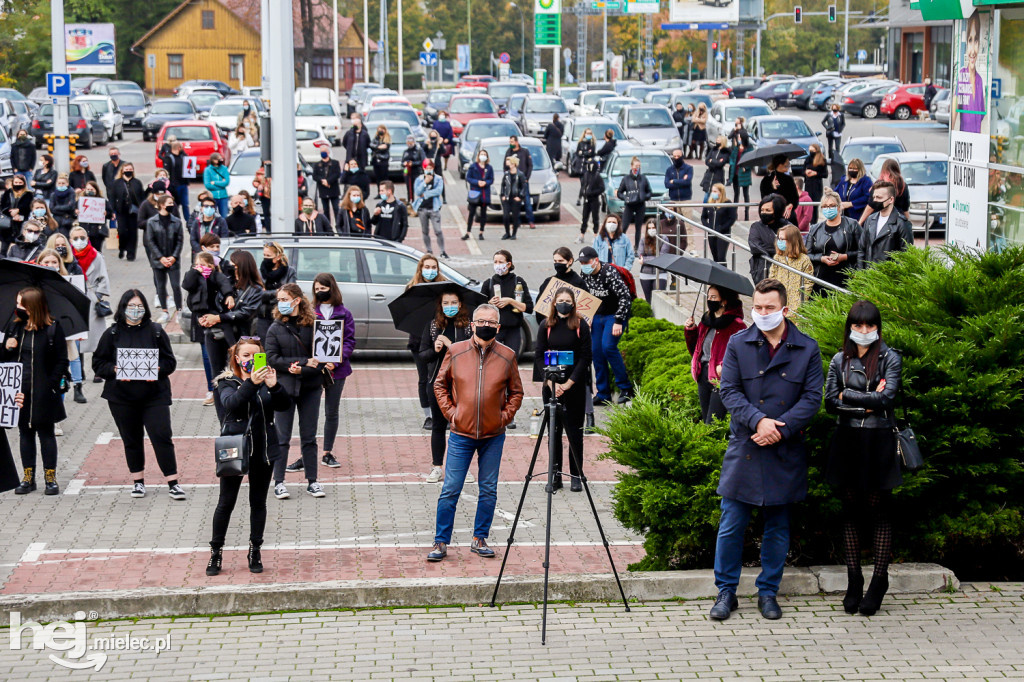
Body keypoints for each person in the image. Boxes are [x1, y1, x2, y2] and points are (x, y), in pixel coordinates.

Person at [710, 278, 824, 622]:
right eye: (757, 308)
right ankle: (725, 592)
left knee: (777, 525)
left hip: (783, 447)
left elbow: (812, 398)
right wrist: (759, 422)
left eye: (769, 308)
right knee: (731, 523)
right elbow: (728, 390)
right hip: (746, 443)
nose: (761, 314)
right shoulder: (738, 343)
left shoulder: (807, 348)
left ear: (785, 310)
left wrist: (779, 428)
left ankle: (768, 592)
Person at [428, 303, 524, 562]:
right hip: (461, 433)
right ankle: (440, 541)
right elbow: (440, 384)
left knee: (489, 489)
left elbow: (516, 392)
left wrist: (504, 417)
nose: (485, 326)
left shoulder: (507, 355)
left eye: (491, 323)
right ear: (472, 324)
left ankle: (479, 538)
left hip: (493, 435)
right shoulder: (456, 352)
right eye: (481, 321)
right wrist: (452, 414)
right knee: (450, 489)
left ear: (498, 327)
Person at [824, 300, 903, 616]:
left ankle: (879, 580)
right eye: (858, 325)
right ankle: (854, 579)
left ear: (878, 328)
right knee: (850, 509)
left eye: (870, 326)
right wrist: (863, 402)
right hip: (847, 439)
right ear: (850, 327)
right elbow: (830, 402)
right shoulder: (838, 360)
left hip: (879, 438)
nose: (864, 331)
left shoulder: (889, 358)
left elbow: (887, 399)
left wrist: (849, 395)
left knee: (879, 508)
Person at [207, 337, 291, 576]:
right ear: (236, 358)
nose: (251, 360)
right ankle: (216, 552)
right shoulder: (226, 382)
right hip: (234, 448)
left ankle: (255, 549)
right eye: (246, 356)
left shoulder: (266, 380)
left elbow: (284, 406)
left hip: (264, 450)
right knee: (226, 502)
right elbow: (232, 404)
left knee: (258, 503)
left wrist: (274, 385)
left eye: (256, 355)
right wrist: (252, 383)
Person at [92, 289, 184, 501]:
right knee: (131, 439)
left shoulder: (156, 331)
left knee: (161, 436)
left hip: (154, 395)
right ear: (122, 308)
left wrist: (156, 370)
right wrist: (115, 370)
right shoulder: (112, 333)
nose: (135, 310)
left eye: (139, 306)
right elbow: (98, 363)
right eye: (131, 306)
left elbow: (170, 362)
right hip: (122, 397)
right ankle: (138, 482)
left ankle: (173, 482)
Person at [4, 288, 69, 495]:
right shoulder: (15, 328)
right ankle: (28, 478)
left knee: (46, 435)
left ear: (32, 307)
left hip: (44, 392)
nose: (17, 308)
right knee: (25, 433)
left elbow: (62, 360)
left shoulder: (53, 328)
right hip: (21, 392)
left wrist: (50, 385)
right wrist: (7, 347)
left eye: (21, 304)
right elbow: (5, 361)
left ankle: (50, 478)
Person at [267, 283, 326, 500]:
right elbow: (272, 359)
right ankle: (279, 482)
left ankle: (313, 481)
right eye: (279, 300)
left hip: (310, 387)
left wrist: (307, 367)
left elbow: (323, 357)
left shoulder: (314, 326)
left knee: (309, 437)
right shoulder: (275, 328)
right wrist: (301, 362)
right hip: (284, 388)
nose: (281, 304)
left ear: (297, 300)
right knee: (282, 437)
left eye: (284, 299)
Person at [534, 287, 592, 492]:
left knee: (575, 432)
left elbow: (586, 357)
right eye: (560, 300)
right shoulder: (545, 325)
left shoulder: (580, 325)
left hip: (573, 387)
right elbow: (539, 355)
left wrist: (568, 383)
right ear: (554, 302)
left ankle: (576, 474)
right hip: (551, 387)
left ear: (573, 303)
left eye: (568, 300)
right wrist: (551, 382)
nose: (564, 303)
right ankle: (555, 475)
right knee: (554, 433)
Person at [418, 288, 474, 483]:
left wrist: (451, 345)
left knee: (461, 426)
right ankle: (436, 467)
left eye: (453, 303)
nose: (450, 307)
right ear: (440, 306)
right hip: (438, 382)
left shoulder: (468, 327)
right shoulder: (433, 326)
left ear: (460, 304)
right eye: (446, 303)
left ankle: (462, 468)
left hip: (462, 383)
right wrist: (435, 349)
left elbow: (472, 356)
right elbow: (422, 355)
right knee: (439, 426)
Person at [310, 273, 356, 471]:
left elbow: (349, 341)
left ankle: (326, 452)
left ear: (332, 288)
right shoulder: (311, 312)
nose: (320, 292)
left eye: (323, 288)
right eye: (317, 289)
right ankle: (308, 451)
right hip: (313, 370)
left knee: (332, 411)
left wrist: (336, 361)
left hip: (337, 371)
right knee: (309, 412)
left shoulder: (344, 313)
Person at [578, 246, 633, 405]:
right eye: (581, 262)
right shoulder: (585, 273)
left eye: (586, 262)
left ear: (595, 261)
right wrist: (586, 316)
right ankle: (603, 393)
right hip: (597, 316)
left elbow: (625, 297)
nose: (583, 265)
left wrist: (618, 320)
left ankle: (625, 387)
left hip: (613, 315)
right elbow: (587, 295)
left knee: (608, 347)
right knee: (596, 352)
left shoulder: (609, 273)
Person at [684, 286, 746, 424]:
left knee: (713, 422)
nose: (709, 300)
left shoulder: (737, 325)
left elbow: (743, 354)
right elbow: (695, 349)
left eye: (713, 297)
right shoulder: (706, 321)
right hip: (703, 374)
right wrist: (690, 330)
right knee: (706, 418)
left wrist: (724, 366)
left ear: (724, 301)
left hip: (721, 378)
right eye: (708, 297)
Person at [407, 254, 447, 430]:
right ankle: (428, 416)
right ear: (420, 269)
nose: (430, 271)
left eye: (433, 267)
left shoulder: (443, 288)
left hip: (441, 339)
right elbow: (410, 316)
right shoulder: (412, 289)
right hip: (419, 341)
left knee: (443, 377)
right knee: (424, 378)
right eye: (427, 267)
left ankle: (445, 412)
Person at [69, 224, 111, 374]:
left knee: (96, 338)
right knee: (77, 336)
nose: (79, 241)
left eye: (82, 237)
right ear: (70, 240)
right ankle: (79, 370)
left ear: (87, 238)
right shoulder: (68, 257)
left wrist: (98, 295)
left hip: (92, 299)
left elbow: (104, 277)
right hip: (74, 299)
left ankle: (97, 370)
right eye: (76, 238)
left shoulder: (96, 255)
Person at [805, 188, 860, 293]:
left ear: (839, 207)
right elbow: (807, 254)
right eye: (825, 206)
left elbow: (863, 250)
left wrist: (844, 257)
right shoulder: (815, 228)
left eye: (831, 206)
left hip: (847, 277)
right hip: (821, 277)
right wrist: (821, 258)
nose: (828, 209)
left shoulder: (852, 225)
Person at [481, 250, 533, 356]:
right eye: (495, 262)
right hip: (494, 330)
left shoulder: (518, 282)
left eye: (501, 262)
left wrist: (510, 301)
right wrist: (490, 303)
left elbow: (529, 307)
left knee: (511, 360)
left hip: (513, 329)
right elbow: (479, 309)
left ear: (509, 264)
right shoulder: (489, 283)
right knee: (493, 362)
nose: (497, 265)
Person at [144, 194, 184, 324]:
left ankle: (179, 311)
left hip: (174, 260)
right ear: (161, 205)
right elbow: (150, 241)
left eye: (172, 202)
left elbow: (180, 241)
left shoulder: (177, 222)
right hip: (158, 260)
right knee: (161, 287)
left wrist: (173, 257)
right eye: (169, 203)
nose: (172, 205)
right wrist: (160, 257)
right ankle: (165, 311)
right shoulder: (152, 222)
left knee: (175, 286)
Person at [858, 181, 914, 267]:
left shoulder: (902, 223)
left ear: (891, 199)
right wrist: (860, 274)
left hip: (888, 277)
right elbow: (862, 249)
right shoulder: (870, 220)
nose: (875, 200)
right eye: (874, 197)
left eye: (879, 197)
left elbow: (906, 256)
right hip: (868, 275)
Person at [769, 224, 814, 313]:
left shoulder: (804, 259)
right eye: (779, 239)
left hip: (795, 303)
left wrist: (801, 301)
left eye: (782, 239)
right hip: (779, 300)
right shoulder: (778, 257)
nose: (779, 241)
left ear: (792, 241)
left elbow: (808, 282)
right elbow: (772, 276)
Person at [748, 194, 791, 284]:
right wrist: (779, 251)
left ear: (777, 211)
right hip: (762, 271)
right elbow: (755, 247)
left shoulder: (788, 227)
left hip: (786, 272)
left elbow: (795, 246)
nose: (763, 213)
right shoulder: (756, 227)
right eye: (762, 210)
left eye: (768, 210)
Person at [257, 242, 296, 340]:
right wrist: (277, 292)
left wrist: (267, 293)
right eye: (264, 255)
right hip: (264, 315)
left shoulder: (289, 271)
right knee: (264, 347)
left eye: (268, 255)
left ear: (278, 257)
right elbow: (258, 294)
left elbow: (290, 293)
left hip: (282, 314)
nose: (265, 258)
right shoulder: (260, 272)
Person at [953, 12, 984, 134]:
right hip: (964, 140)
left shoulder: (980, 80)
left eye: (976, 41)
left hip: (977, 141)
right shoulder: (961, 74)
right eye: (970, 40)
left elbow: (981, 114)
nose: (972, 50)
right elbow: (955, 107)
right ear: (966, 44)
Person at [110, 162, 144, 261]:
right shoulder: (117, 183)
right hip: (121, 211)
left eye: (130, 169)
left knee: (133, 233)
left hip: (134, 212)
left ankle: (131, 253)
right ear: (122, 171)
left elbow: (141, 197)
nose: (128, 171)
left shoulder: (137, 182)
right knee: (122, 231)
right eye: (126, 169)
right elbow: (112, 197)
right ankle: (122, 248)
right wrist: (112, 211)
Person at [616, 156, 652, 248]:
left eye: (639, 166)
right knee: (624, 226)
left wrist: (644, 197)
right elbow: (619, 192)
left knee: (638, 227)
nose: (637, 168)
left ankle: (637, 246)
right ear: (631, 166)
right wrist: (625, 198)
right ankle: (621, 244)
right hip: (629, 205)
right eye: (636, 166)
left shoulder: (643, 178)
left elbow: (649, 192)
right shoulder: (626, 179)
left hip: (640, 205)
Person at [860, 158, 910, 224]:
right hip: (898, 220)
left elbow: (871, 206)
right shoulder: (903, 185)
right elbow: (905, 208)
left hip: (881, 218)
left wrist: (860, 222)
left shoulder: (880, 185)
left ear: (883, 170)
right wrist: (908, 223)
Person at [702, 183, 737, 265]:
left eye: (715, 191)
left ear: (721, 192)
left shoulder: (727, 203)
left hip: (723, 234)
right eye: (712, 191)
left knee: (721, 257)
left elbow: (732, 218)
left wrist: (722, 228)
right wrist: (708, 227)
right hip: (711, 233)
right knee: (715, 257)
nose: (712, 193)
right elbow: (703, 217)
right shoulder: (709, 203)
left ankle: (724, 275)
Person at [504, 136, 535, 229]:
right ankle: (516, 222)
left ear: (517, 142)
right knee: (514, 203)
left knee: (527, 202)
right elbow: (505, 166)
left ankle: (531, 221)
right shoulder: (509, 152)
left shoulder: (524, 152)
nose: (511, 143)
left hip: (523, 181)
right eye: (510, 142)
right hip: (513, 181)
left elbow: (530, 165)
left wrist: (527, 178)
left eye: (512, 142)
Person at [410, 168, 443, 255]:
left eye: (430, 168)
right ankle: (429, 250)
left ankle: (442, 251)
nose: (428, 170)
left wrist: (426, 194)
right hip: (422, 208)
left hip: (434, 208)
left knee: (438, 230)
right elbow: (417, 192)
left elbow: (439, 191)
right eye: (426, 168)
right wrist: (425, 182)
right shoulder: (419, 179)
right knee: (425, 231)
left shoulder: (438, 179)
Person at [637, 218, 669, 303]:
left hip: (660, 273)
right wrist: (654, 259)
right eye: (649, 228)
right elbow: (640, 255)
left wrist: (645, 261)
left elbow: (661, 258)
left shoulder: (664, 239)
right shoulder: (643, 240)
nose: (651, 230)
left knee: (659, 300)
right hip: (645, 274)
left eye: (653, 228)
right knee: (648, 300)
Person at [465, 150, 493, 240]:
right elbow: (468, 178)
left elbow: (491, 179)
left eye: (485, 154)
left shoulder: (489, 168)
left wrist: (486, 182)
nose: (483, 156)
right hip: (475, 193)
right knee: (471, 213)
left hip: (484, 194)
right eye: (482, 154)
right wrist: (477, 182)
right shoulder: (473, 167)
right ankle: (468, 232)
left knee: (483, 214)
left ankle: (481, 232)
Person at [158, 140, 190, 220]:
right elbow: (167, 173)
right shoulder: (169, 158)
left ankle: (188, 221)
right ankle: (175, 219)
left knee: (185, 204)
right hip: (174, 186)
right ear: (179, 148)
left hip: (183, 184)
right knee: (175, 204)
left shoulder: (183, 156)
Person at [1, 174, 34, 251]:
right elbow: (3, 206)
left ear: (24, 183)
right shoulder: (8, 193)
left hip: (22, 222)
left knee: (20, 248)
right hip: (8, 224)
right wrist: (12, 214)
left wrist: (18, 210)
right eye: (16, 182)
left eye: (20, 183)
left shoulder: (29, 194)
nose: (18, 184)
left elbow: (28, 206)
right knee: (4, 248)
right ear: (13, 183)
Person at [760, 155, 799, 219]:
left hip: (788, 216)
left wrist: (790, 205)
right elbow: (765, 199)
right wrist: (773, 188)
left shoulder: (789, 179)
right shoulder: (767, 180)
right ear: (780, 164)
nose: (788, 165)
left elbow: (795, 198)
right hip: (773, 217)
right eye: (786, 163)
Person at [77, 181, 112, 251]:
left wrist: (106, 213)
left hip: (97, 231)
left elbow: (110, 213)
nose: (90, 191)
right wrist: (76, 212)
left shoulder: (102, 201)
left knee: (97, 251)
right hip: (85, 230)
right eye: (88, 189)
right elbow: (72, 212)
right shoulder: (81, 201)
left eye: (91, 189)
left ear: (96, 190)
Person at [499, 155, 528, 240]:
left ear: (514, 164)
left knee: (515, 216)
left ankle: (514, 233)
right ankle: (507, 232)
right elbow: (503, 185)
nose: (509, 165)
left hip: (515, 198)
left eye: (510, 163)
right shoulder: (506, 174)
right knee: (506, 216)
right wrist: (502, 195)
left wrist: (520, 196)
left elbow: (524, 186)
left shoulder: (520, 174)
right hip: (507, 198)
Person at [836, 158, 872, 223]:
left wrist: (851, 204)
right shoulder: (844, 180)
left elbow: (868, 197)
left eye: (854, 169)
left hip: (859, 215)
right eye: (850, 168)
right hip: (843, 215)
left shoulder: (866, 181)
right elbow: (836, 192)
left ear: (860, 169)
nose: (852, 170)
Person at [578, 154, 604, 242]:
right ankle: (582, 235)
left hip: (594, 200)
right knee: (584, 217)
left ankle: (595, 235)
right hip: (586, 200)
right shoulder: (586, 175)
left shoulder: (597, 176)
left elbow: (602, 188)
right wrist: (581, 195)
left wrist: (593, 193)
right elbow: (583, 186)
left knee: (595, 217)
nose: (589, 166)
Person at [313, 149, 342, 227]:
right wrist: (322, 181)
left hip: (333, 190)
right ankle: (328, 226)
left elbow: (337, 174)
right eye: (321, 151)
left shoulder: (335, 163)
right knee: (325, 210)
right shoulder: (317, 165)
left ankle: (338, 225)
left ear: (328, 152)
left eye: (324, 151)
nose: (323, 153)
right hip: (323, 190)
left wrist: (328, 181)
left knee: (336, 209)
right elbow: (315, 176)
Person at [701, 136, 730, 204]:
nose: (717, 141)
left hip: (718, 175)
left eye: (718, 140)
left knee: (716, 195)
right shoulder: (713, 149)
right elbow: (707, 161)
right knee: (706, 195)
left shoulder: (725, 152)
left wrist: (712, 161)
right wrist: (716, 161)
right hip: (709, 174)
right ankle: (705, 211)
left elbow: (721, 164)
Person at [803, 144, 828, 224]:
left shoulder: (822, 160)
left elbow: (825, 174)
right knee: (809, 205)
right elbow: (802, 171)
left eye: (812, 151)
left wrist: (815, 173)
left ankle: (814, 222)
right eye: (810, 151)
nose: (811, 153)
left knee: (815, 206)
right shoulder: (807, 159)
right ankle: (809, 222)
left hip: (817, 185)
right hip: (808, 184)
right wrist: (806, 172)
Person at [202, 153, 230, 219]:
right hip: (213, 196)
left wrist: (214, 182)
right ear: (213, 160)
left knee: (224, 216)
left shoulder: (224, 169)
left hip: (223, 196)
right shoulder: (207, 170)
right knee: (212, 215)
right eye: (219, 159)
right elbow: (208, 185)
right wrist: (221, 184)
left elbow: (226, 182)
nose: (221, 160)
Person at [401, 136, 425, 205]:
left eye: (411, 142)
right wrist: (404, 163)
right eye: (408, 142)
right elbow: (402, 162)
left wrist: (413, 163)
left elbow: (423, 161)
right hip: (408, 173)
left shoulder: (419, 150)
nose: (410, 143)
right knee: (409, 188)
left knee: (418, 188)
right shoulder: (405, 151)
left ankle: (420, 202)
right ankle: (410, 202)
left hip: (417, 172)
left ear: (414, 142)